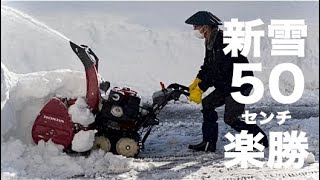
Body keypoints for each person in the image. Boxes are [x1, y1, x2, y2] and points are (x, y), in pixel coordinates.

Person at [185, 11, 269, 152]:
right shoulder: (210, 40)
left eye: (196, 27)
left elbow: (217, 70)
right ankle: (208, 143)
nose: (195, 30)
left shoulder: (224, 41)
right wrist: (197, 80)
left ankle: (260, 139)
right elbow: (208, 65)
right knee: (208, 104)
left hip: (239, 84)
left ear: (205, 27)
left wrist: (201, 88)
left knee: (231, 118)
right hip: (227, 83)